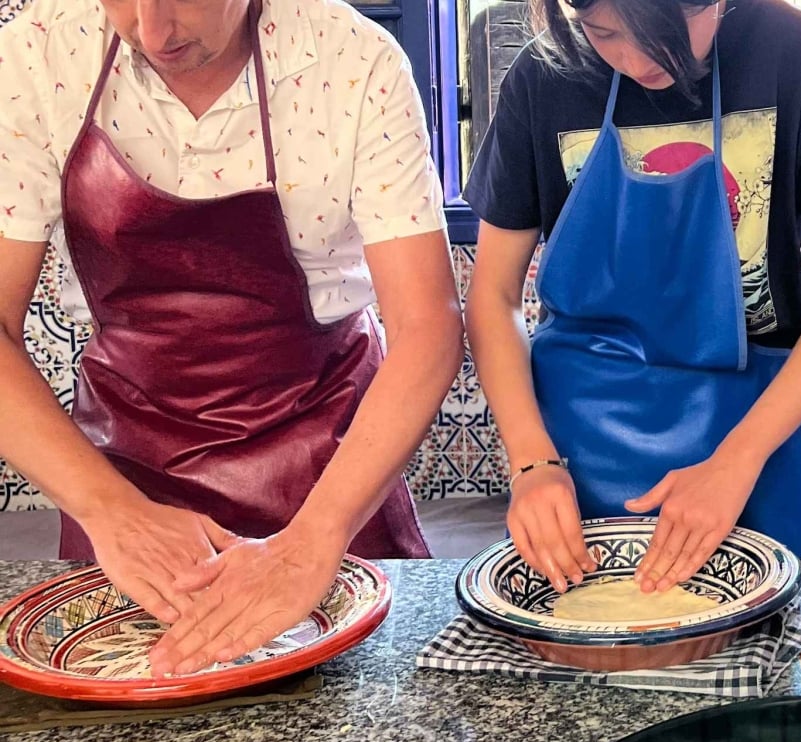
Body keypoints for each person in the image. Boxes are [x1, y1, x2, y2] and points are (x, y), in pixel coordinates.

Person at [0, 0, 464, 673]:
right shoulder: (37, 56)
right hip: (125, 463)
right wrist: (112, 510)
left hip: (327, 460)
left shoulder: (354, 62)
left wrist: (314, 538)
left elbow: (428, 326)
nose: (152, 30)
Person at [462, 0, 801, 595]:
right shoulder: (542, 75)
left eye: (662, 34)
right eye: (606, 33)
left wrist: (738, 461)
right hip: (577, 445)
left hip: (750, 431)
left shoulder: (790, 52)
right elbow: (494, 294)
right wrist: (532, 461)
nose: (636, 61)